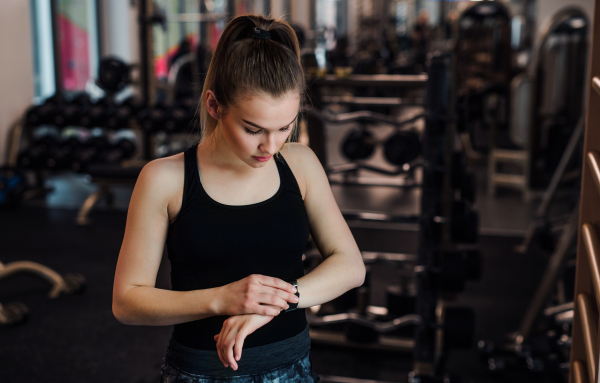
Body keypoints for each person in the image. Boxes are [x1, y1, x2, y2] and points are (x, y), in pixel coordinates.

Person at [112, 14, 366, 383]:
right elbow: (127, 302)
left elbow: (351, 266)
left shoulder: (300, 164)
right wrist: (224, 298)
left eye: (285, 127)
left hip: (293, 367)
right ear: (215, 106)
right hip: (201, 373)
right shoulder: (164, 179)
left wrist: (278, 302)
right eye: (253, 129)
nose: (271, 145)